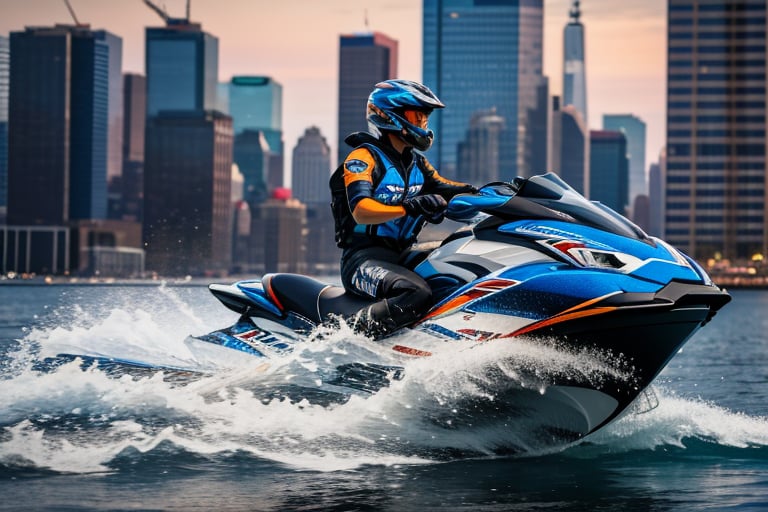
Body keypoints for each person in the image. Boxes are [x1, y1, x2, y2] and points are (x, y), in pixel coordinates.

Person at [329, 79, 476, 338]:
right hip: (362, 260)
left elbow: (448, 188)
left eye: (424, 119)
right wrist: (408, 207)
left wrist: (498, 193)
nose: (422, 124)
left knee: (462, 260)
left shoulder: (416, 163)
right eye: (416, 117)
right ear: (390, 116)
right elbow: (361, 210)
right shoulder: (362, 158)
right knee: (415, 293)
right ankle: (347, 341)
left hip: (402, 255)